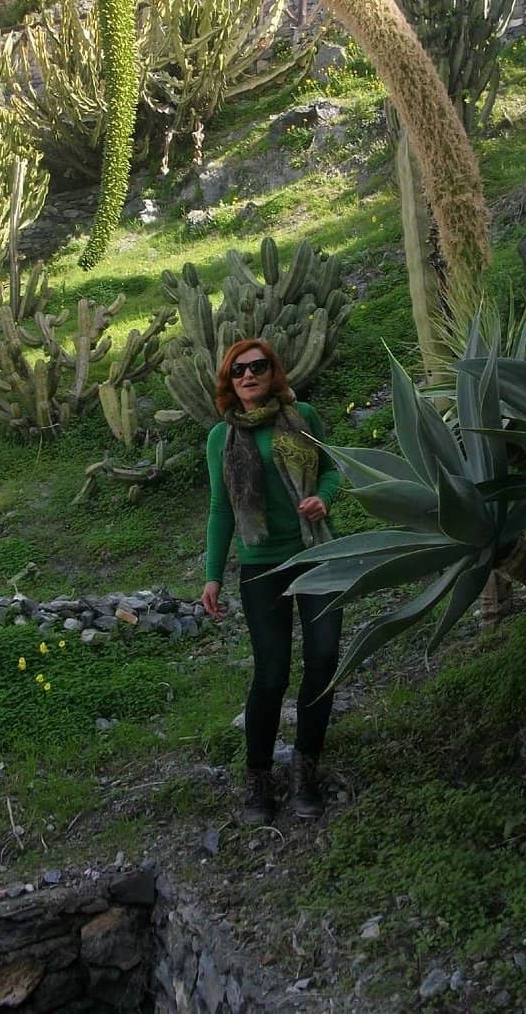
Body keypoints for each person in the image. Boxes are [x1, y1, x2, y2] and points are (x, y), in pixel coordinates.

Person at [201, 338, 342, 824]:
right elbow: (221, 508)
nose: (248, 376)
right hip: (261, 565)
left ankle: (305, 770)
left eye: (258, 367)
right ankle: (258, 781)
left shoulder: (303, 417)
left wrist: (323, 498)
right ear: (229, 381)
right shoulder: (222, 439)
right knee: (272, 673)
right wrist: (212, 576)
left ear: (272, 372)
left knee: (323, 659)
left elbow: (331, 471)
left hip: (317, 553)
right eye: (238, 370)